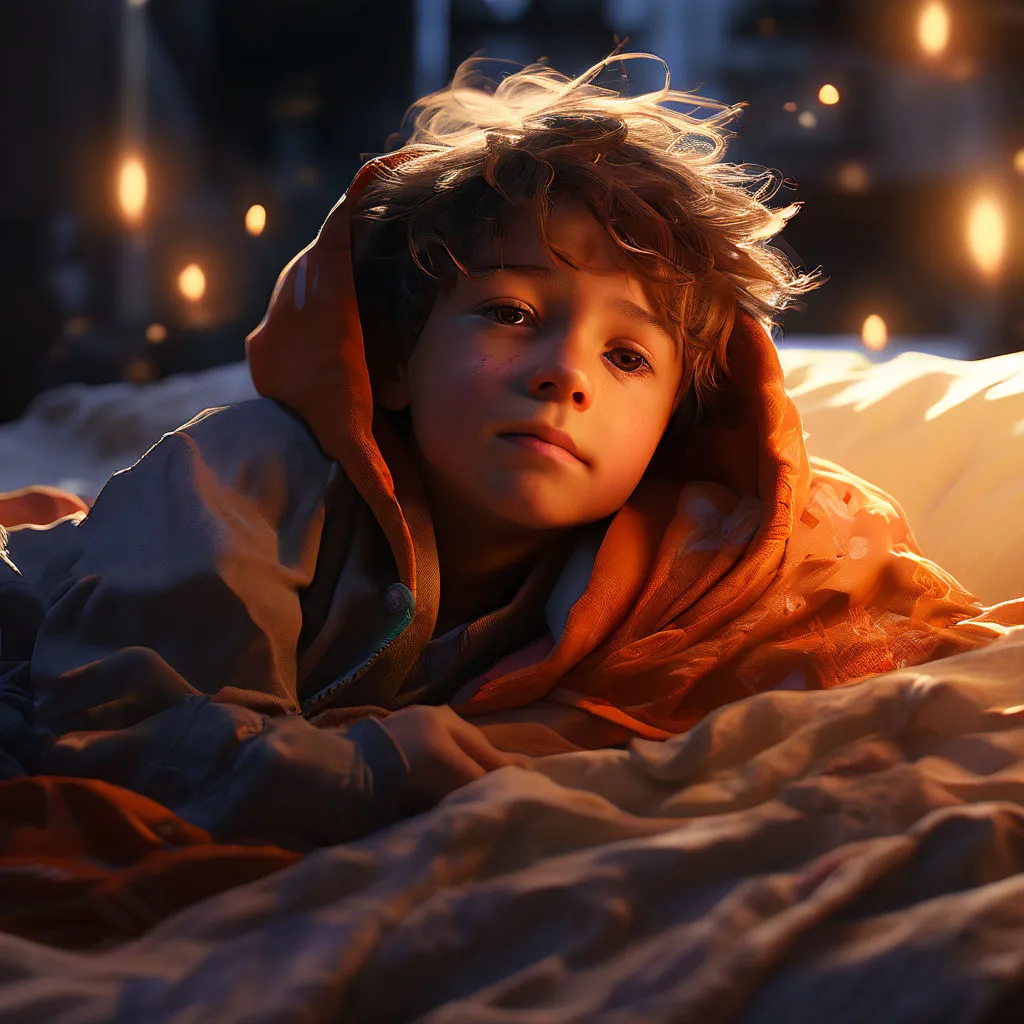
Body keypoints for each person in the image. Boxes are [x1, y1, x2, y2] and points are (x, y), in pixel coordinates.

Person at [2, 53, 1021, 852]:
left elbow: (858, 612)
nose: (563, 374)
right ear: (394, 361)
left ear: (669, 424)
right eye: (510, 311)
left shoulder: (653, 558)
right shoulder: (241, 477)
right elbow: (124, 718)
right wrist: (365, 768)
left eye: (626, 354)